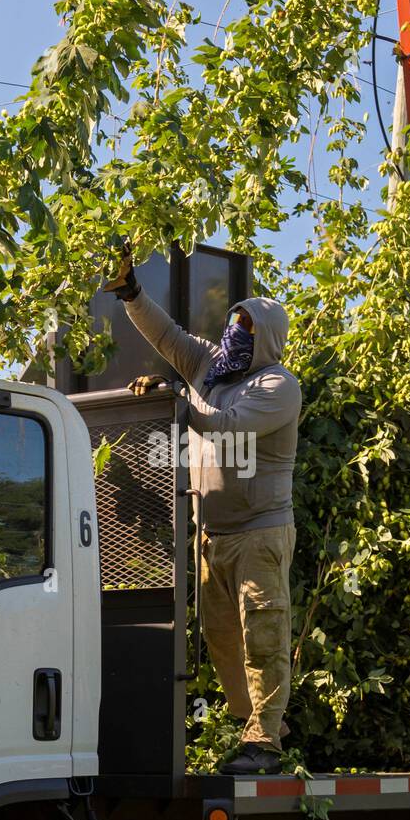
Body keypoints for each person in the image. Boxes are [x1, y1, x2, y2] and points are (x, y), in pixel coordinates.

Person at [105, 248, 301, 774]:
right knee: (220, 639)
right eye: (232, 323)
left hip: (261, 532)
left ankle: (264, 745)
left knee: (263, 635)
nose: (234, 334)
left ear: (266, 337)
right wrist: (131, 292)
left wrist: (180, 403)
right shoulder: (209, 368)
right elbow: (167, 335)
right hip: (212, 534)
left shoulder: (278, 386)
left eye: (246, 327)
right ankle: (260, 724)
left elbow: (229, 426)